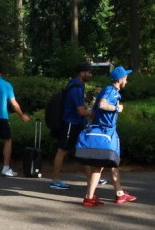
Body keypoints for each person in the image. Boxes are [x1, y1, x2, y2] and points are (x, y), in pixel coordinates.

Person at [82, 66, 137, 207]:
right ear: (119, 79)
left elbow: (95, 110)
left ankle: (98, 196)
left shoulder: (108, 90)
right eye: (125, 77)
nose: (127, 80)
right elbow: (102, 104)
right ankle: (111, 195)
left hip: (102, 132)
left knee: (103, 165)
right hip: (106, 133)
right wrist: (117, 108)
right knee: (108, 164)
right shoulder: (111, 91)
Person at [49, 63, 94, 189]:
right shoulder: (75, 87)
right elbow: (81, 111)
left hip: (77, 123)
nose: (91, 74)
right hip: (70, 122)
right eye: (89, 72)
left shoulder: (79, 85)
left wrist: (88, 108)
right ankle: (55, 180)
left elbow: (82, 105)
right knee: (62, 150)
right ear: (81, 73)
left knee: (84, 150)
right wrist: (94, 113)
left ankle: (92, 178)